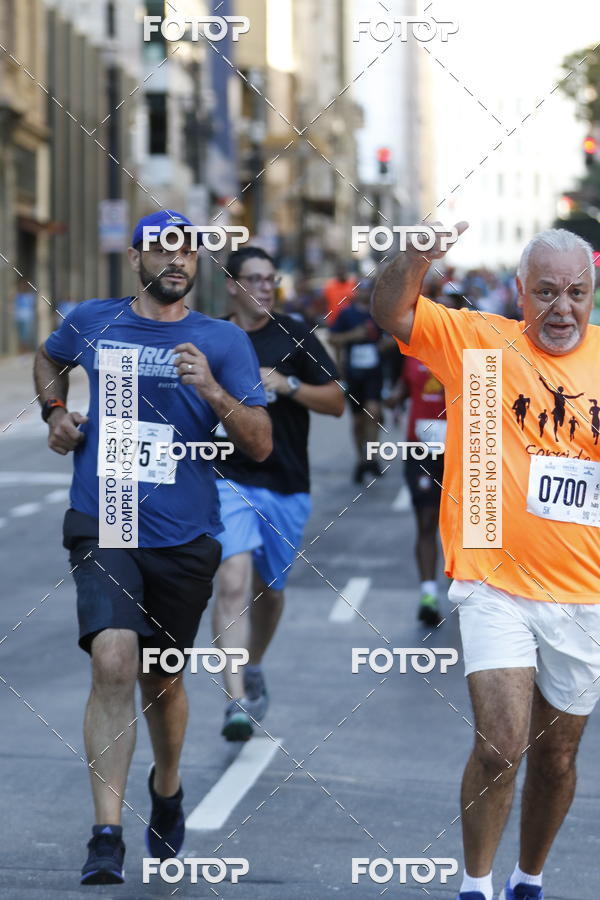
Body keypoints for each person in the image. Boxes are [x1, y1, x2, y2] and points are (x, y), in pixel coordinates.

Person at [33, 211, 272, 885]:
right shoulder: (92, 320)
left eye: (187, 250)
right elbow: (48, 356)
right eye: (163, 248)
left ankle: (166, 790)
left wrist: (212, 391)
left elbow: (259, 442)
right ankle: (105, 834)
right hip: (103, 520)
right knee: (114, 657)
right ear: (136, 257)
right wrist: (56, 414)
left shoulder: (219, 340)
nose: (177, 260)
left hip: (185, 538)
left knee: (162, 680)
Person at [372, 225, 600, 900]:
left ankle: (527, 880)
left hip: (585, 593)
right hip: (493, 579)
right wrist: (415, 258)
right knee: (503, 746)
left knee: (557, 757)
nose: (562, 309)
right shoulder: (478, 344)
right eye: (547, 293)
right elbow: (393, 312)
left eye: (577, 294)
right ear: (520, 293)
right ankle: (475, 886)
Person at [212, 246, 344, 741]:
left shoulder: (295, 333)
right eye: (255, 279)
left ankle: (254, 663)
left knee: (270, 591)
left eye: (271, 279)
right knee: (231, 579)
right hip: (229, 477)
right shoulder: (213, 336)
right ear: (232, 285)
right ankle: (235, 702)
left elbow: (336, 402)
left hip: (287, 482)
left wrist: (286, 385)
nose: (266, 288)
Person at [329, 278, 385, 483]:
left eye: (370, 289)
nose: (365, 292)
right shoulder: (346, 314)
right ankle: (362, 459)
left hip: (374, 372)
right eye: (362, 289)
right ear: (356, 292)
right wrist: (354, 335)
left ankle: (372, 457)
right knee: (357, 420)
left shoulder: (379, 313)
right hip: (353, 373)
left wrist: (382, 346)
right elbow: (333, 338)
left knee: (374, 412)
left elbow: (391, 338)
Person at [13, 278, 37, 352]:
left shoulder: (30, 296)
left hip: (26, 318)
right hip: (18, 317)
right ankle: (22, 350)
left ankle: (25, 350)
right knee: (20, 335)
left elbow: (32, 306)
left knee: (25, 335)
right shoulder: (17, 295)